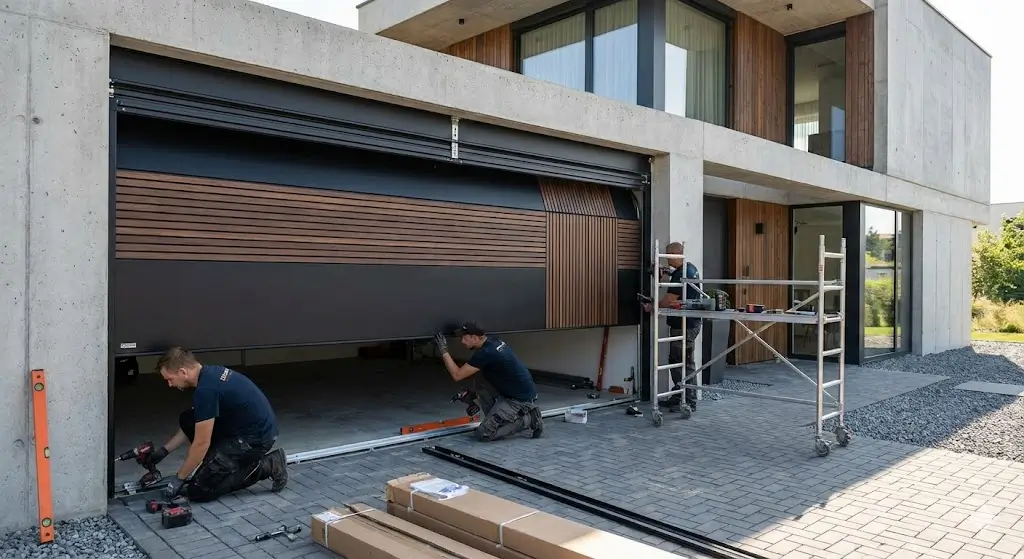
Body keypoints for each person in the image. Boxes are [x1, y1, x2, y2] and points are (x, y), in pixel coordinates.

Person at [143, 346, 288, 502]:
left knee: (200, 490)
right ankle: (216, 464)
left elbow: (201, 443)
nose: (169, 384)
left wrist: (180, 478)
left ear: (183, 372)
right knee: (188, 418)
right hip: (242, 428)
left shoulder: (206, 390)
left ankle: (268, 465)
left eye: (169, 379)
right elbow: (196, 423)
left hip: (256, 439)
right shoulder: (211, 373)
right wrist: (164, 451)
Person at [433, 322, 544, 441]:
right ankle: (502, 419)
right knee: (480, 374)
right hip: (512, 392)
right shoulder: (493, 342)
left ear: (475, 338)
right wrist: (472, 394)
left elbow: (457, 375)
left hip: (518, 401)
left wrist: (444, 351)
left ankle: (528, 420)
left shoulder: (487, 353)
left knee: (484, 434)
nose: (462, 342)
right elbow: (482, 378)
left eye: (465, 338)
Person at [646, 241, 702, 413]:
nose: (668, 260)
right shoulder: (687, 269)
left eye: (669, 256)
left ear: (676, 254)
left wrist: (653, 305)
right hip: (687, 323)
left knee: (682, 361)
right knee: (679, 361)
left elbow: (669, 300)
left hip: (685, 325)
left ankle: (689, 400)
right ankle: (679, 395)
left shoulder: (682, 273)